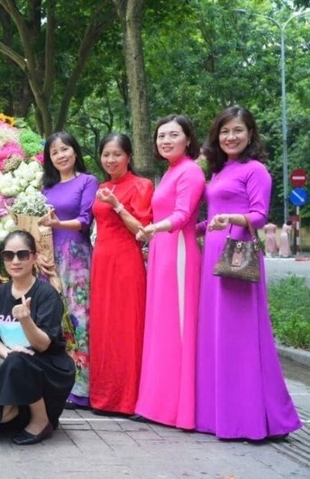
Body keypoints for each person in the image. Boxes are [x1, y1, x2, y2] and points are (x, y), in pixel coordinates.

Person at [195, 106, 301, 440]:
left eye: (238, 130)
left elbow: (258, 215)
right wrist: (188, 229)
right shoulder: (220, 171)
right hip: (213, 255)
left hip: (237, 256)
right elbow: (213, 214)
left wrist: (231, 219)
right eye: (225, 131)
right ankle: (221, 417)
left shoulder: (256, 170)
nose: (231, 137)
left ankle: (253, 419)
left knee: (240, 338)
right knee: (218, 336)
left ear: (250, 134)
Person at [134, 115, 205, 428]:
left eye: (173, 135)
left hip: (178, 253)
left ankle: (178, 408)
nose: (165, 141)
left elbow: (182, 215)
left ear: (188, 139)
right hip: (163, 253)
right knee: (161, 326)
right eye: (161, 136)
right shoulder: (171, 171)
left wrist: (153, 229)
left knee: (176, 329)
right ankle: (158, 403)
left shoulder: (190, 170)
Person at [0, 231, 75, 445]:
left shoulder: (46, 294)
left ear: (34, 257)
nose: (15, 261)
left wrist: (26, 320)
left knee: (19, 362)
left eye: (22, 254)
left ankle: (41, 421)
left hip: (50, 369)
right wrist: (9, 353)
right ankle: (18, 411)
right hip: (16, 366)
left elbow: (42, 344)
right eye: (9, 255)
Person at [89, 133, 153, 415]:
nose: (110, 160)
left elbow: (142, 229)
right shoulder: (101, 186)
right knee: (103, 327)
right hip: (101, 261)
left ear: (128, 157)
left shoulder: (142, 185)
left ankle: (130, 399)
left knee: (128, 326)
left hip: (127, 260)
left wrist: (117, 205)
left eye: (117, 154)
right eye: (106, 154)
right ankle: (104, 397)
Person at [39, 131, 98, 410]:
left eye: (65, 149)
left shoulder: (87, 181)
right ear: (49, 159)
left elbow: (85, 220)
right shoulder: (45, 189)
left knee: (79, 318)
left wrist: (56, 225)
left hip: (76, 258)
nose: (61, 155)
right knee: (54, 320)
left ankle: (83, 388)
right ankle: (56, 382)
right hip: (49, 260)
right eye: (55, 152)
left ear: (75, 151)